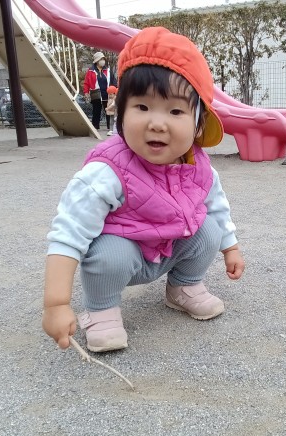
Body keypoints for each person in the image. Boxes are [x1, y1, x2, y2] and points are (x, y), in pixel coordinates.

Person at [43, 27, 245, 353]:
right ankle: (102, 309)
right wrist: (56, 303)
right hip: (125, 256)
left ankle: (184, 287)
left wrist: (230, 247)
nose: (157, 123)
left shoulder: (198, 165)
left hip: (169, 247)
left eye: (175, 111)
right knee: (110, 253)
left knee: (209, 228)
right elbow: (68, 232)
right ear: (121, 113)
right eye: (142, 107)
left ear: (198, 123)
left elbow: (217, 204)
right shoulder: (108, 170)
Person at [83, 51, 113, 132]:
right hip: (96, 93)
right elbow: (86, 83)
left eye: (103, 59)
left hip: (107, 93)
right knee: (96, 110)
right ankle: (95, 127)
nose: (102, 61)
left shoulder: (108, 70)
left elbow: (113, 81)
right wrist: (86, 92)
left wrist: (114, 90)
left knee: (109, 110)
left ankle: (110, 127)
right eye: (101, 59)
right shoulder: (90, 71)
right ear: (96, 61)